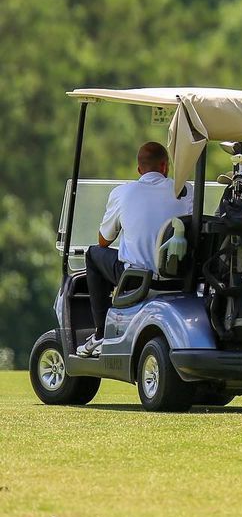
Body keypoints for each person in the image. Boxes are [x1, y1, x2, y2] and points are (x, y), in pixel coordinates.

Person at [77, 142, 193, 357]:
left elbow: (103, 241)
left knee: (93, 254)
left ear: (139, 169)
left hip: (136, 279)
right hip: (178, 276)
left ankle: (101, 332)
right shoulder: (187, 192)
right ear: (165, 166)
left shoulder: (123, 193)